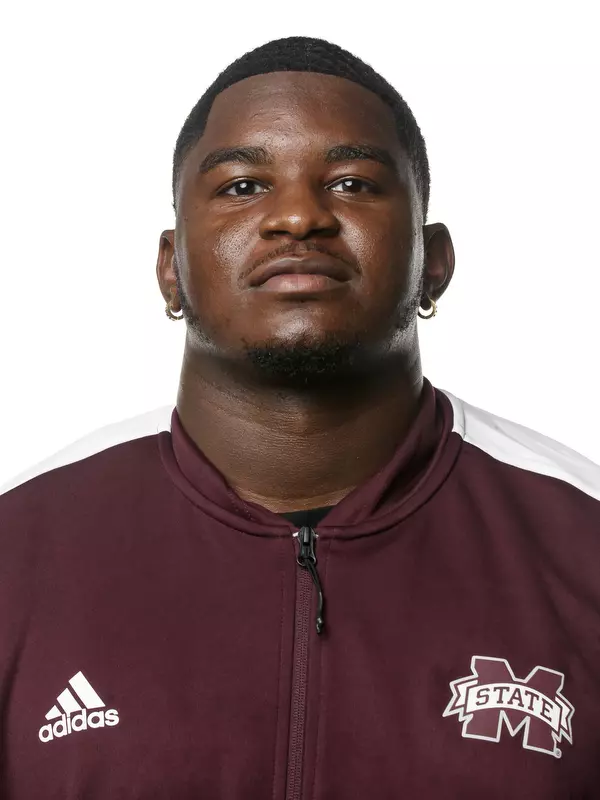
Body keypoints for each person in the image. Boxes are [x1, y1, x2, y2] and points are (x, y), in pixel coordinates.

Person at [1, 34, 599, 800]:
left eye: (351, 183)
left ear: (435, 261)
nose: (296, 216)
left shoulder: (582, 545)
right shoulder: (19, 554)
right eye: (243, 187)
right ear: (170, 267)